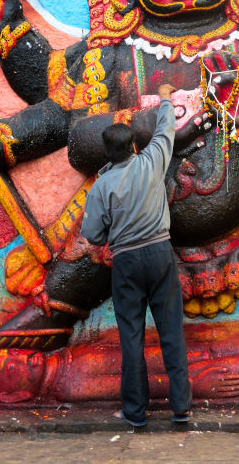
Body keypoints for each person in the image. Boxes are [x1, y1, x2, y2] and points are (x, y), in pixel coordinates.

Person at [79, 82, 192, 427]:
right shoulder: (152, 161)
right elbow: (167, 128)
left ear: (107, 154)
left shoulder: (101, 186)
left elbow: (93, 235)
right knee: (171, 330)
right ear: (132, 145)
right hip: (159, 253)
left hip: (126, 262)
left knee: (131, 336)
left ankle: (135, 412)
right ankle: (181, 408)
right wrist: (167, 96)